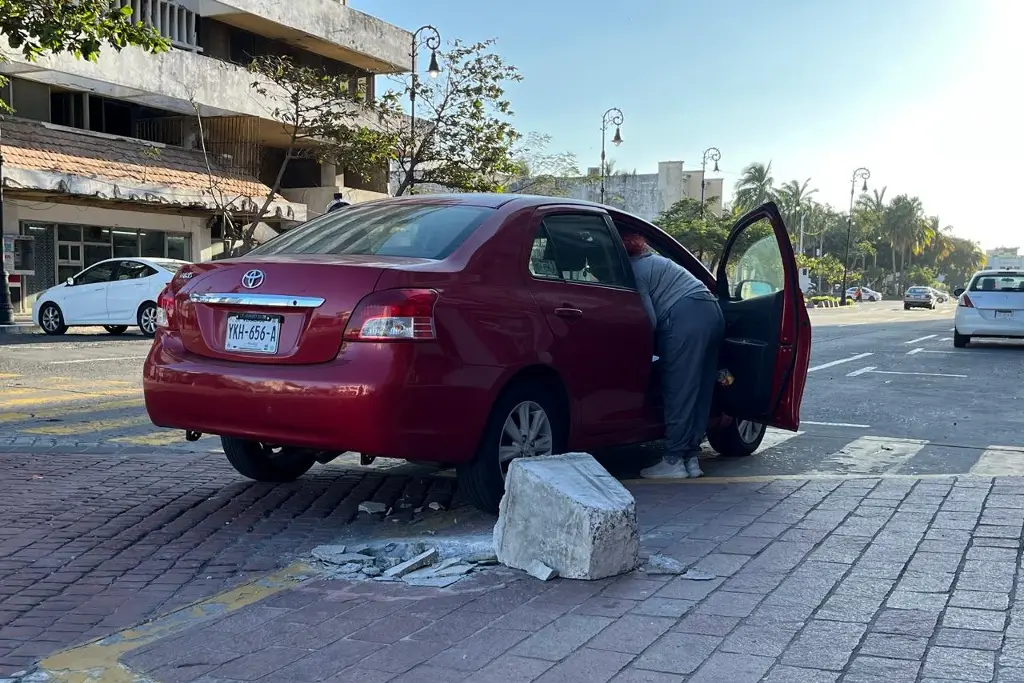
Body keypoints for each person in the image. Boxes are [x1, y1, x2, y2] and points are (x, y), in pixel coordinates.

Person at [619, 230, 726, 479]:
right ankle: (690, 458)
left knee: (680, 389)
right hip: (712, 313)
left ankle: (673, 459)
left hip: (686, 319)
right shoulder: (655, 262)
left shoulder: (634, 272)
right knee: (700, 390)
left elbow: (649, 319)